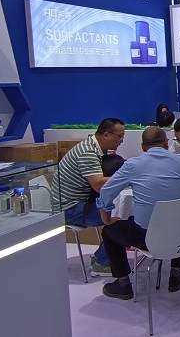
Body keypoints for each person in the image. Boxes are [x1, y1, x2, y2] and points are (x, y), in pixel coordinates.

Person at [97, 127, 180, 300]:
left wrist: (107, 219)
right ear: (166, 143)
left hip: (146, 238)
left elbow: (106, 192)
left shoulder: (132, 165)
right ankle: (176, 273)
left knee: (109, 231)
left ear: (143, 146)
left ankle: (123, 284)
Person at [54, 118, 126, 276]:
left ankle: (101, 257)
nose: (121, 140)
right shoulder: (88, 152)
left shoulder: (95, 148)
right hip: (70, 208)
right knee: (121, 217)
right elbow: (98, 184)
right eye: (120, 136)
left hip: (82, 202)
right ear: (106, 134)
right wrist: (127, 177)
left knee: (117, 211)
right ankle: (102, 262)